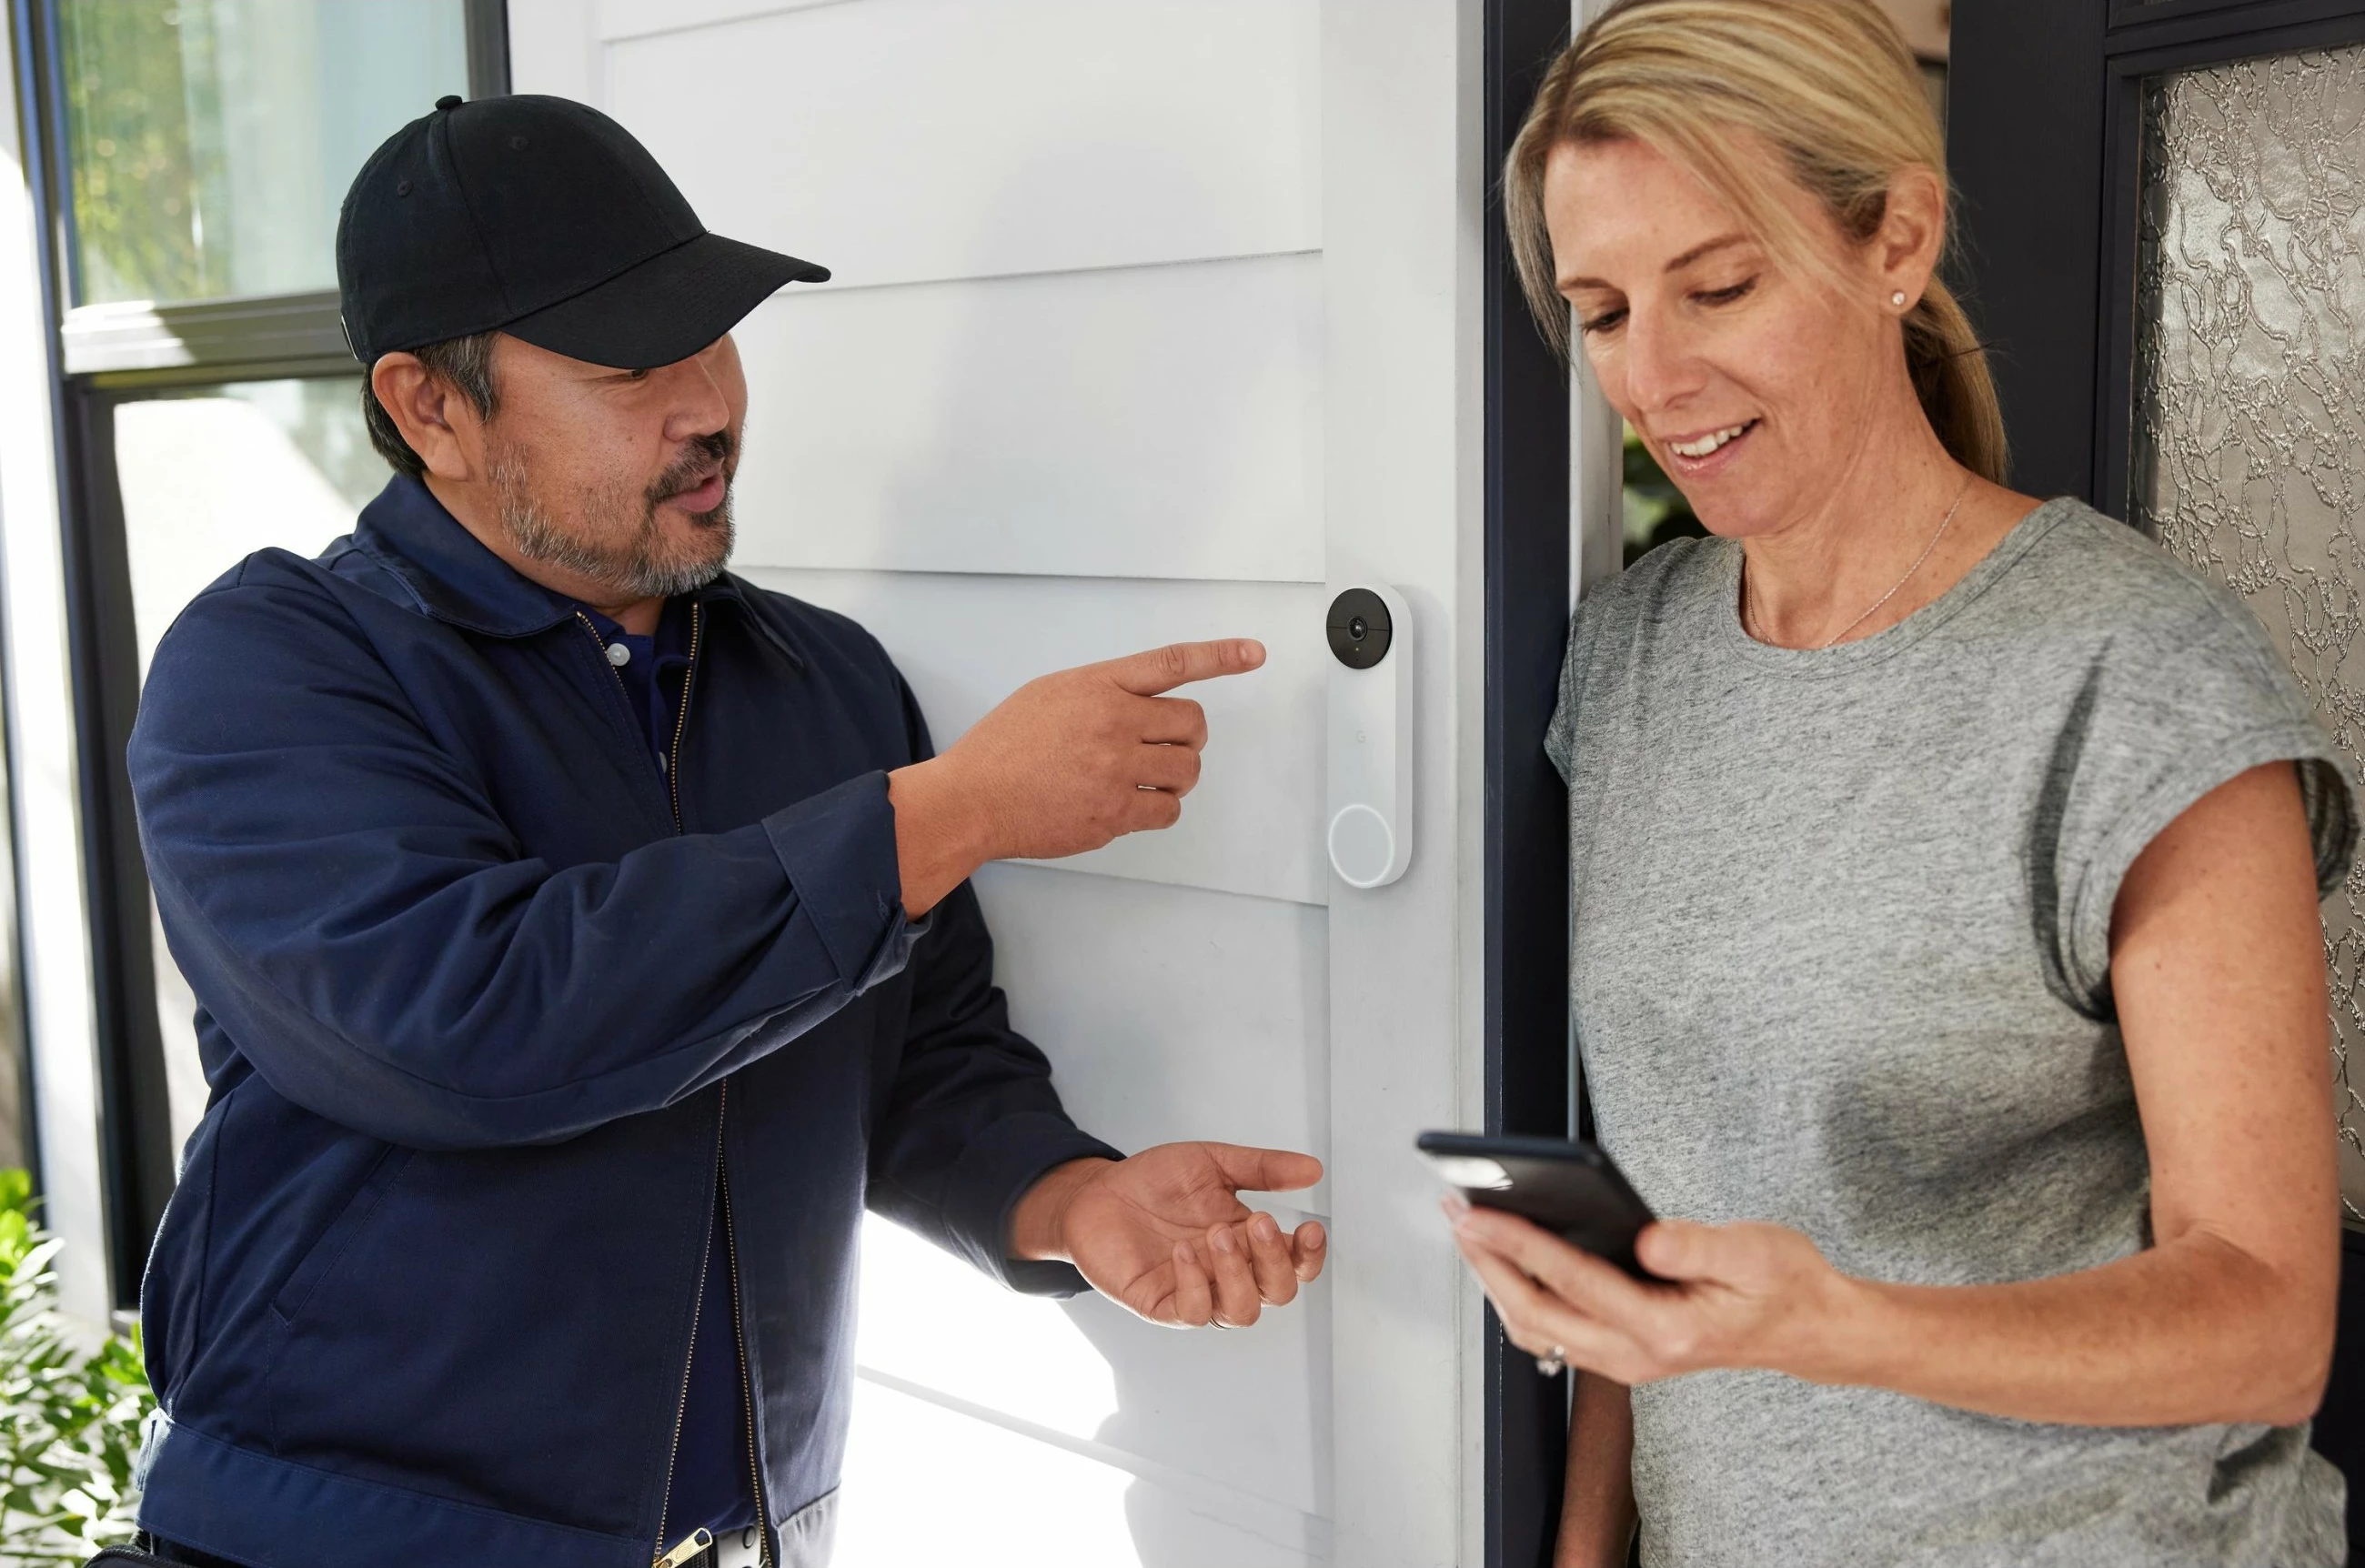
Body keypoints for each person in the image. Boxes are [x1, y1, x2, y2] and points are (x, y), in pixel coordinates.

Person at [124, 95, 1325, 1568]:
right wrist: (949, 813)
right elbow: (470, 1020)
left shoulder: (820, 681)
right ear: (431, 407)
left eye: (711, 332)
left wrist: (1070, 1199)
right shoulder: (275, 669)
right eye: (630, 363)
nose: (706, 403)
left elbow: (914, 1064)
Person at [1449, 3, 2353, 1564]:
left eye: (1717, 286)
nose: (1651, 378)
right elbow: (1661, 1218)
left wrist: (1832, 1321)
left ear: (1897, 241)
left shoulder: (2136, 676)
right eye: (1601, 311)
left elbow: (2265, 1322)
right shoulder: (1631, 663)